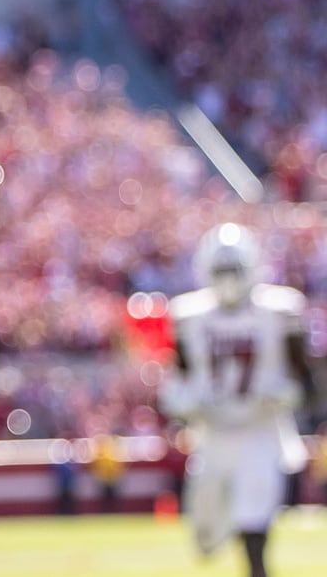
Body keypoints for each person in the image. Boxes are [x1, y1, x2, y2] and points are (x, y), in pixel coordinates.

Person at [158, 223, 320, 577]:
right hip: (213, 434)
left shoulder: (280, 310)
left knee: (254, 521)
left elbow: (307, 380)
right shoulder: (189, 315)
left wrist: (290, 395)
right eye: (222, 271)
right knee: (205, 539)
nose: (229, 279)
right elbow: (181, 374)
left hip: (262, 430)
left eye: (234, 270)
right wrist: (179, 404)